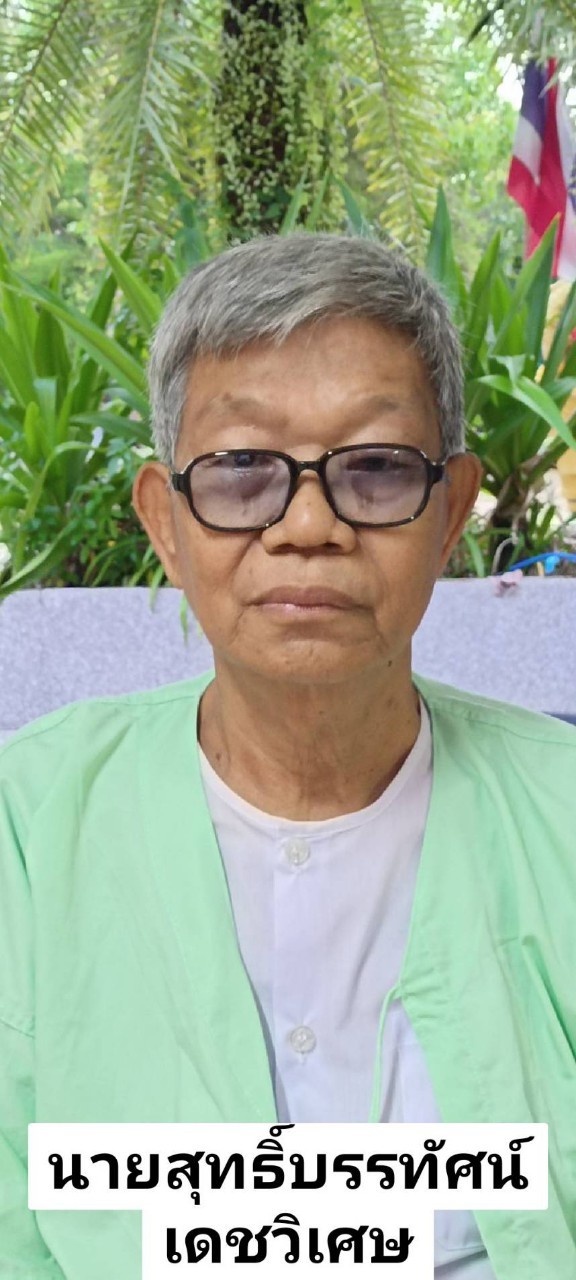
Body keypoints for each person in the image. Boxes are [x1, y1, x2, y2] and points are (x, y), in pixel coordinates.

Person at [0, 233, 575, 1280]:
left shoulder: (561, 812)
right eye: (242, 471)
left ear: (450, 511)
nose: (308, 524)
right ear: (166, 521)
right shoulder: (28, 828)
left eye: (375, 468)